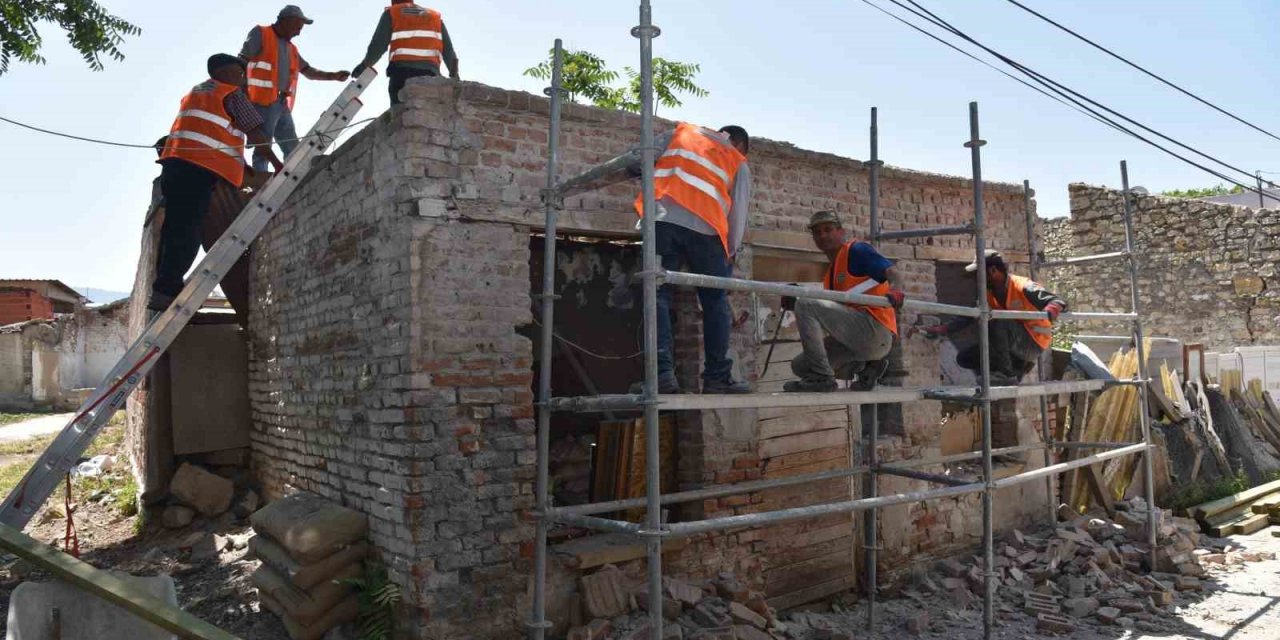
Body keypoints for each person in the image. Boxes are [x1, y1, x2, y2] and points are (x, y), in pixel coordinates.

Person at [628, 123, 752, 395]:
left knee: (657, 292)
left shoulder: (681, 133)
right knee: (715, 300)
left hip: (662, 218)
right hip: (707, 229)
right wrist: (730, 252)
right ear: (740, 145)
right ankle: (716, 377)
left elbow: (637, 159)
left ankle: (661, 375)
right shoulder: (737, 160)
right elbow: (739, 213)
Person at [151, 54, 282, 311]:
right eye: (241, 74)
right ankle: (168, 291)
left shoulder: (195, 93)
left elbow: (210, 132)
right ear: (227, 72)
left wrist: (240, 165)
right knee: (189, 229)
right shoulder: (231, 94)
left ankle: (164, 288)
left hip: (174, 166)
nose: (243, 79)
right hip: (198, 170)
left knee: (173, 230)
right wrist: (277, 164)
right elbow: (255, 133)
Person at [781, 211, 904, 392]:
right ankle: (866, 368)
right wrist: (796, 302)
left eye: (828, 229)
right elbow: (831, 316)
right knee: (801, 366)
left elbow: (894, 273)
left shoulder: (856, 250)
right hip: (856, 340)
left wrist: (896, 290)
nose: (822, 235)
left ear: (841, 231)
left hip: (874, 330)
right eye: (817, 232)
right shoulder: (830, 276)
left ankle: (822, 378)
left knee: (807, 304)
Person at [918, 250, 1066, 385]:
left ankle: (1006, 374)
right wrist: (943, 329)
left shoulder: (1023, 286)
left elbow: (1056, 302)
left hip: (1033, 343)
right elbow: (969, 316)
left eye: (979, 274)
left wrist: (1050, 310)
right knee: (965, 358)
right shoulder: (989, 293)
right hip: (1013, 343)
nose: (976, 279)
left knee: (999, 321)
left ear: (993, 271)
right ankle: (1016, 368)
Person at [239, 5, 350, 172]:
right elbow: (242, 60)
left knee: (291, 147)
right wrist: (242, 93)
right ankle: (260, 180)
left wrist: (333, 76)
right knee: (263, 146)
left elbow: (308, 72)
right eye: (298, 27)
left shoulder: (291, 49)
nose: (299, 33)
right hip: (262, 102)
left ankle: (292, 177)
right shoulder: (261, 33)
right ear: (287, 21)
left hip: (281, 103)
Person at [352, 1, 460, 105]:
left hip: (402, 76)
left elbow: (377, 47)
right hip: (432, 78)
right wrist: (456, 80)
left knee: (401, 117)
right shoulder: (434, 17)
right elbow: (449, 52)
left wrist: (363, 66)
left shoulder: (392, 13)